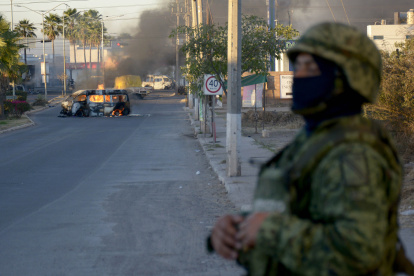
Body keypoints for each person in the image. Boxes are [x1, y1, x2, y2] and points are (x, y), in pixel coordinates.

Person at [208, 22, 410, 275]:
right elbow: (297, 211)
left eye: (311, 68)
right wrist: (238, 229)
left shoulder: (356, 153)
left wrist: (271, 229)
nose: (299, 76)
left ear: (347, 77)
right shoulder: (314, 140)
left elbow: (361, 248)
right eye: (298, 67)